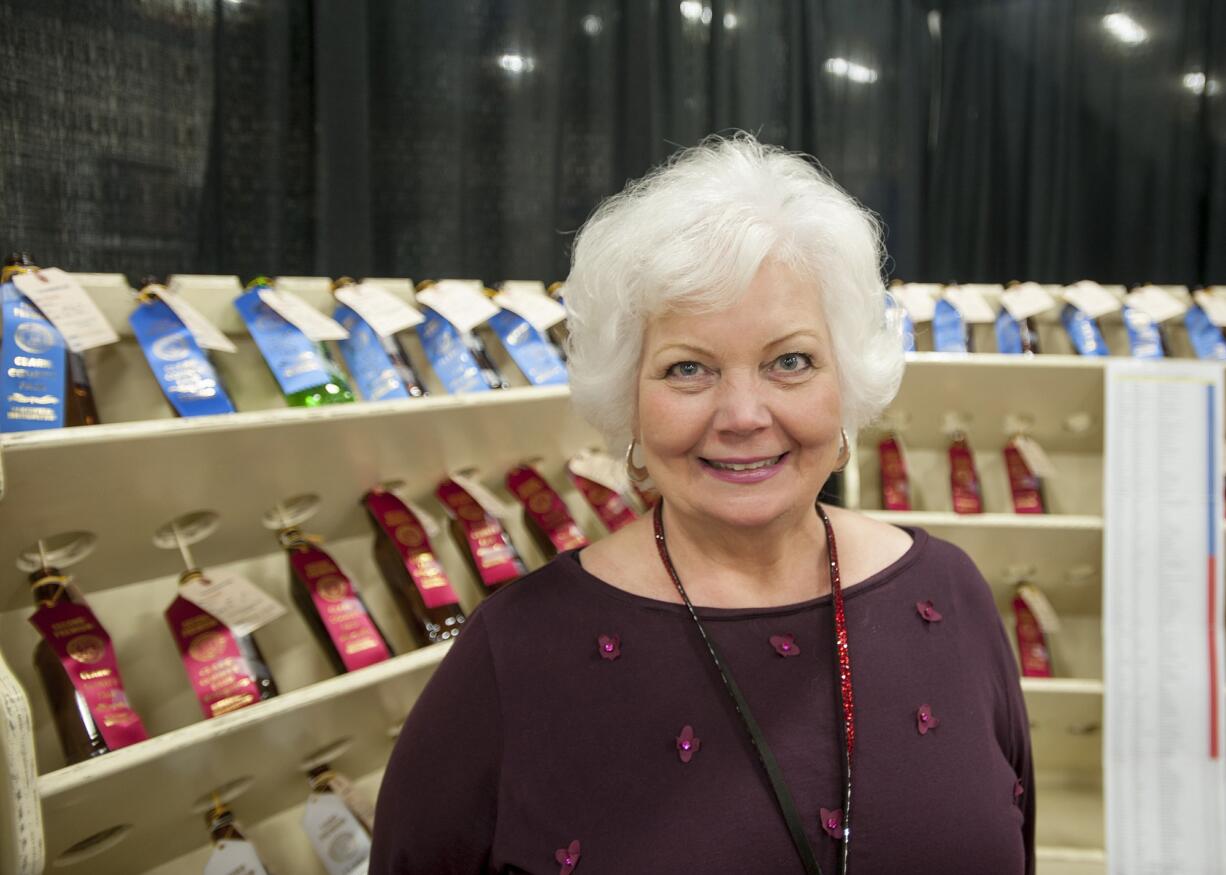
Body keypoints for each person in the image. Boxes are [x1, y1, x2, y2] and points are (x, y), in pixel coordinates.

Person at [369, 134, 1034, 874]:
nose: (744, 414)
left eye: (791, 361)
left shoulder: (949, 594)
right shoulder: (514, 652)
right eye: (689, 368)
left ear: (846, 380)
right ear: (629, 401)